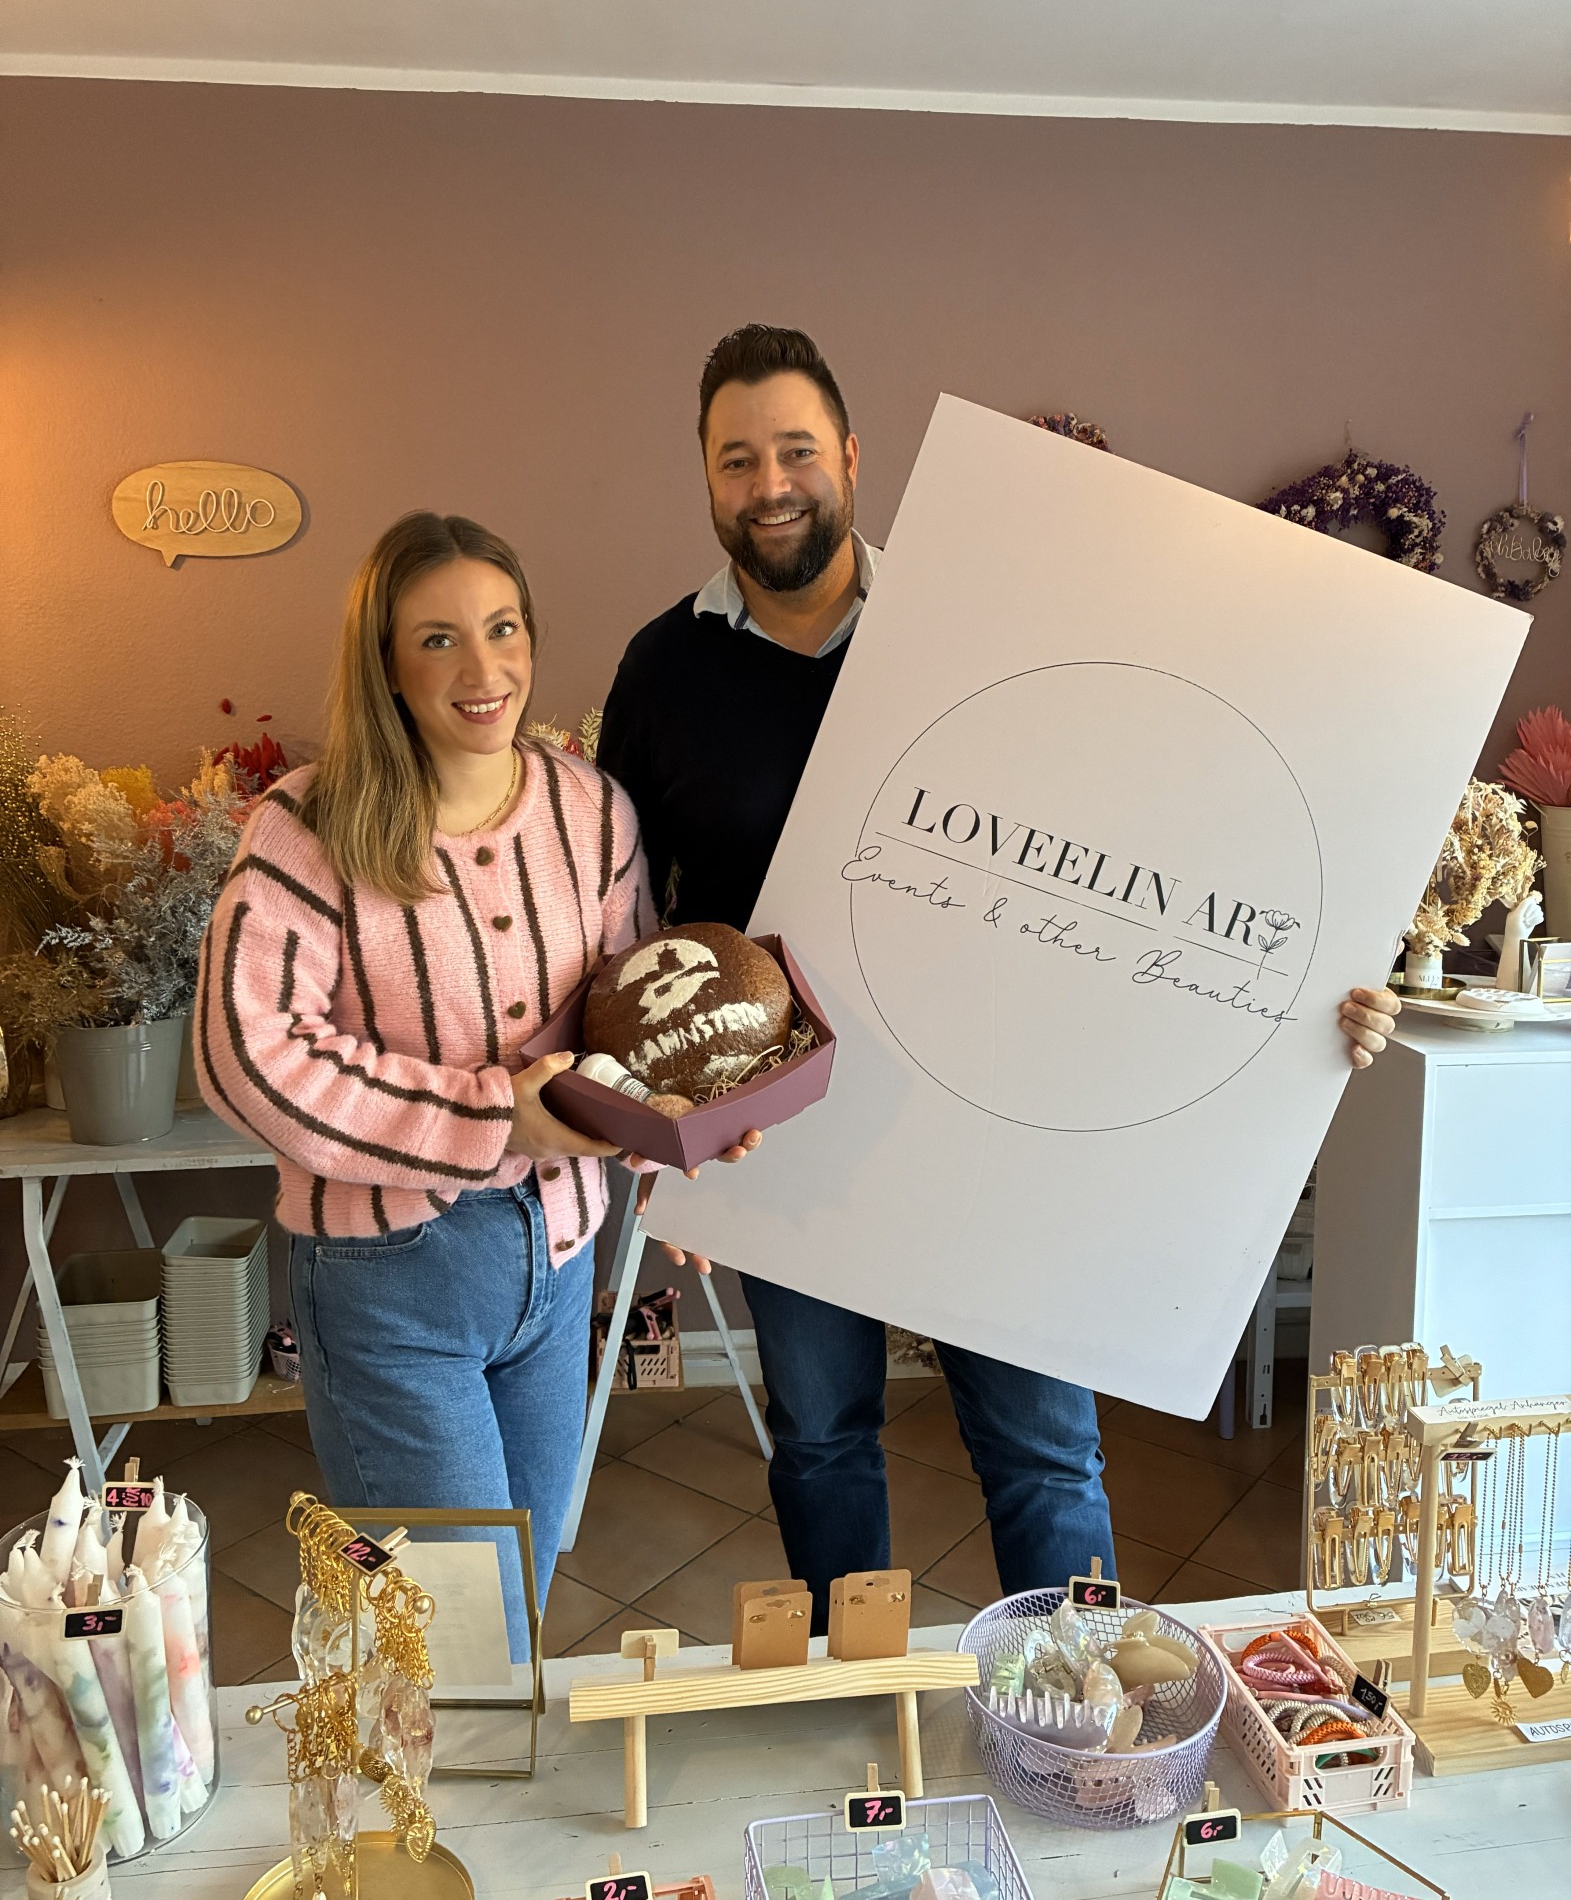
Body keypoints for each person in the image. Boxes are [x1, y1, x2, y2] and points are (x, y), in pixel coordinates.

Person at [597, 324, 1402, 1624]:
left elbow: (1136, 845)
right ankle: (861, 1690)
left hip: (995, 1110)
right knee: (819, 1438)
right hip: (781, 1136)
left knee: (1042, 1450)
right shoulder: (660, 670)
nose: (769, 484)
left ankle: (1075, 1703)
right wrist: (658, 1123)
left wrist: (1313, 987)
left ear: (850, 457)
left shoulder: (974, 623)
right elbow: (629, 921)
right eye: (736, 459)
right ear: (704, 475)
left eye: (795, 450)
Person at [196, 510, 755, 1650]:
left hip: (557, 1259)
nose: (482, 668)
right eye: (438, 639)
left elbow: (624, 1018)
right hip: (389, 1277)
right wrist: (496, 1117)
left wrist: (677, 1136)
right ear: (386, 664)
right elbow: (246, 1054)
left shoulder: (589, 810)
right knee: (456, 1629)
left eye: (502, 628)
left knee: (524, 1588)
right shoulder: (306, 826)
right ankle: (405, 1765)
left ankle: (444, 1749)